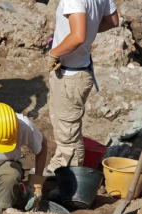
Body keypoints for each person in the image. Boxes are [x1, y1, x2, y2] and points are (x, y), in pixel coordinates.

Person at [45, 0, 119, 178]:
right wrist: (84, 31)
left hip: (71, 74)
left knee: (68, 132)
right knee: (62, 124)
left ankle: (69, 182)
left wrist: (54, 53)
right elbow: (113, 21)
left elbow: (77, 37)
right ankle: (58, 165)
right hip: (76, 70)